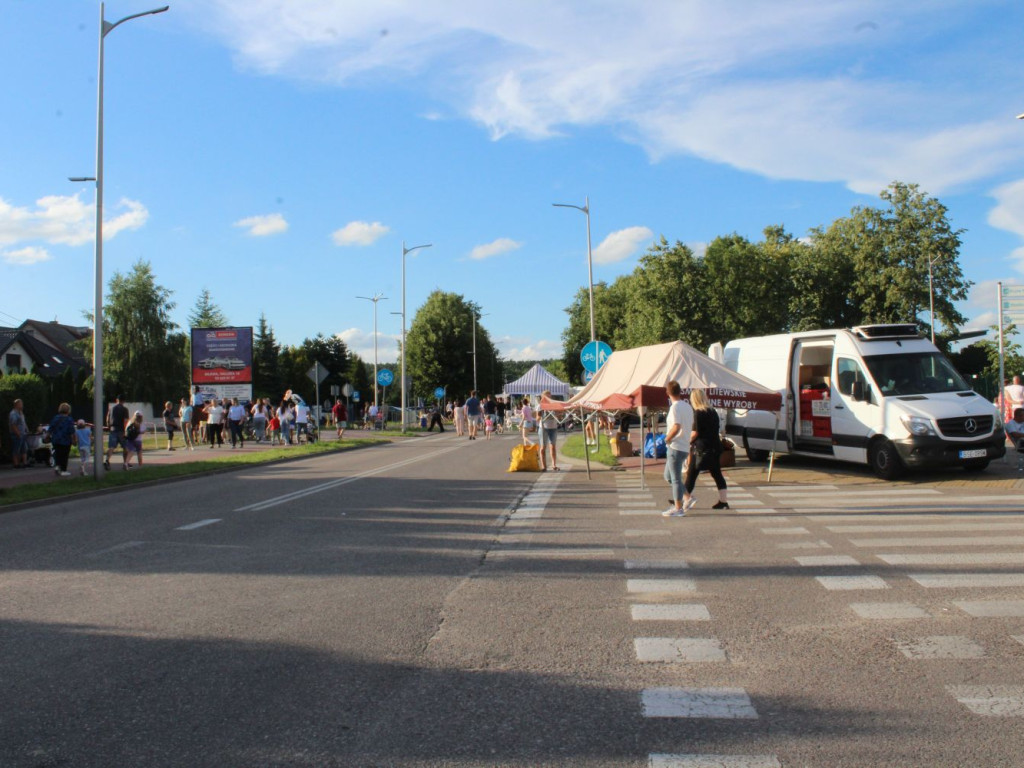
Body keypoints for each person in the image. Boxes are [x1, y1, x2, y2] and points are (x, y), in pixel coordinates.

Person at [682, 388, 729, 511]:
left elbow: (695, 433)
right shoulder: (713, 411)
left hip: (702, 449)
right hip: (715, 446)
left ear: (694, 399)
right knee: (717, 474)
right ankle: (723, 501)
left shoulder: (698, 413)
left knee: (691, 474)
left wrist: (686, 442)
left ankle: (684, 499)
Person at [661, 381, 695, 517]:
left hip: (676, 445)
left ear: (668, 393)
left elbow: (676, 426)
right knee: (668, 476)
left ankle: (678, 507)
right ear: (680, 391)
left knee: (675, 478)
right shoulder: (687, 406)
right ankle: (687, 496)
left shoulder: (675, 408)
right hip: (685, 445)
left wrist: (667, 438)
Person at [48, 402, 75, 477]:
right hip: (65, 440)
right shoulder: (69, 419)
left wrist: (47, 437)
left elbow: (50, 429)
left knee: (57, 454)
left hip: (56, 439)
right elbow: (72, 431)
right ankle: (63, 470)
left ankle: (57, 466)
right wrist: (74, 440)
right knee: (64, 455)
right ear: (68, 410)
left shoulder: (55, 418)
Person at [104, 395, 129, 471]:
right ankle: (125, 463)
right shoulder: (124, 409)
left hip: (112, 429)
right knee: (125, 447)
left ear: (116, 400)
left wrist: (108, 426)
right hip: (121, 430)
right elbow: (125, 421)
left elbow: (107, 418)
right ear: (124, 401)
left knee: (111, 447)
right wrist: (125, 431)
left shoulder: (111, 408)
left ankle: (107, 460)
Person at [538, 389, 559, 471]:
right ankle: (544, 466)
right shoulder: (540, 406)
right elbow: (537, 417)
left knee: (553, 446)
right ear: (542, 397)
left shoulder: (553, 404)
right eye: (546, 396)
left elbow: (558, 415)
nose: (548, 397)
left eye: (549, 396)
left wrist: (558, 413)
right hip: (543, 428)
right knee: (543, 447)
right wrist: (541, 414)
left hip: (553, 427)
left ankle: (554, 465)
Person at [8, 398, 29, 469]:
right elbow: (13, 425)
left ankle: (24, 462)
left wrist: (26, 430)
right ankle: (16, 464)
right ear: (17, 405)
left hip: (23, 434)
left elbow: (23, 422)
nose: (22, 405)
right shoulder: (13, 414)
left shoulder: (21, 413)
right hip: (17, 434)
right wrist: (18, 433)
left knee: (24, 448)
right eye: (21, 404)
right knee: (16, 449)